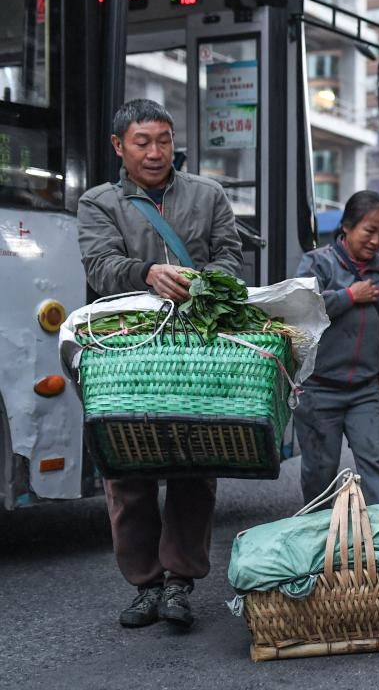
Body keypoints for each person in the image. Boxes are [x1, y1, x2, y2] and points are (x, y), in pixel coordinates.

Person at [77, 98, 243, 630]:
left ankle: (180, 583)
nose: (155, 152)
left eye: (164, 140)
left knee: (196, 464)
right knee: (127, 472)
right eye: (142, 142)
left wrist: (203, 282)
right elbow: (101, 268)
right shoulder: (98, 202)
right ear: (118, 147)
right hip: (125, 349)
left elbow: (230, 258)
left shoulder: (209, 194)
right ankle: (145, 586)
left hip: (194, 345)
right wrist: (146, 273)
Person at [293, 190, 379, 507]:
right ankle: (318, 542)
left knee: (377, 466)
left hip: (366, 390)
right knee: (319, 473)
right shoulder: (316, 263)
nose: (376, 240)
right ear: (346, 226)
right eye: (369, 231)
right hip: (318, 390)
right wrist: (349, 296)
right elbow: (302, 311)